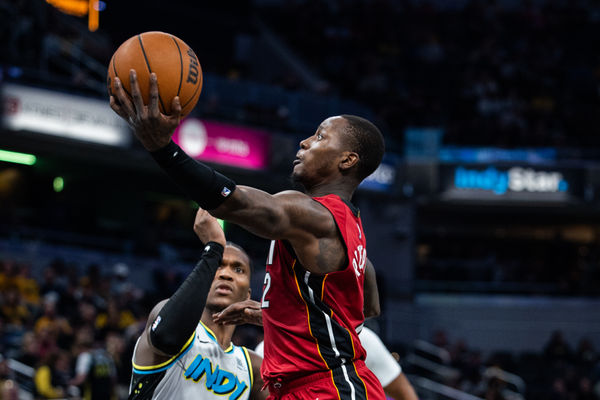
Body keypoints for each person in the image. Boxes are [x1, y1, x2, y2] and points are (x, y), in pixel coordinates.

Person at [110, 71, 386, 400]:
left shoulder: (316, 215)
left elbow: (235, 203)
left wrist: (162, 148)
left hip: (328, 387)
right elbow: (367, 306)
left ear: (348, 160)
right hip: (321, 385)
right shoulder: (350, 229)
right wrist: (279, 315)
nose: (305, 142)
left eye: (320, 137)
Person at [127, 207, 266, 400]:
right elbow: (166, 337)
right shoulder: (167, 316)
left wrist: (272, 319)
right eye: (218, 265)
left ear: (248, 294)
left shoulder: (253, 367)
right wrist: (213, 250)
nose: (226, 274)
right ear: (203, 276)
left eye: (238, 270)